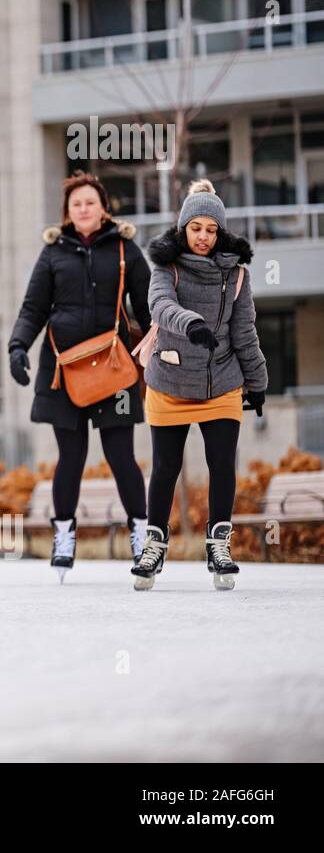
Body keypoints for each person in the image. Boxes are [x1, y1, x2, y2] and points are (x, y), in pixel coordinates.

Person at [8, 170, 152, 581]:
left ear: (103, 207)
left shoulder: (125, 248)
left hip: (114, 369)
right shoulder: (54, 253)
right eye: (76, 204)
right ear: (67, 213)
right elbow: (33, 308)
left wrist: (160, 351)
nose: (84, 209)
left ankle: (143, 537)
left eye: (90, 202)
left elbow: (146, 308)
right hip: (62, 371)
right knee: (70, 457)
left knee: (121, 456)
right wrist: (17, 346)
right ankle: (64, 536)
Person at [131, 179, 268, 592]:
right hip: (169, 381)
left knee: (222, 464)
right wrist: (191, 324)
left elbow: (245, 334)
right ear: (183, 229)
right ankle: (154, 545)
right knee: (166, 468)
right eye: (196, 228)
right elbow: (160, 306)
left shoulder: (237, 276)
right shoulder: (166, 267)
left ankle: (218, 544)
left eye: (211, 229)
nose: (204, 237)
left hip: (222, 382)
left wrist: (257, 382)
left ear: (220, 231)